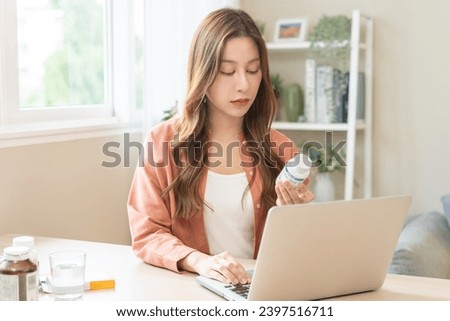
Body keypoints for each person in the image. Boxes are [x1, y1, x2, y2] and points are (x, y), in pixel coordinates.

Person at [127, 8, 314, 286]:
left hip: (259, 293)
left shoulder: (282, 150)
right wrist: (199, 261)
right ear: (202, 73)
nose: (244, 84)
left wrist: (297, 218)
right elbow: (147, 233)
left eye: (253, 70)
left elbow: (296, 251)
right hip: (190, 291)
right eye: (228, 71)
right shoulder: (162, 143)